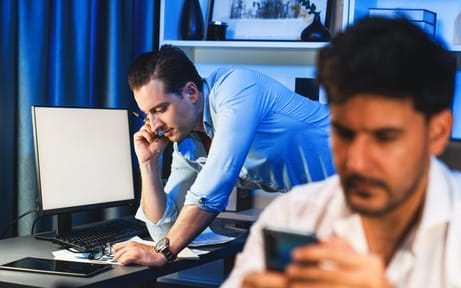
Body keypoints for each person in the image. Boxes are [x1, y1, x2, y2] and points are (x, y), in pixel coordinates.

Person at [209, 16, 461, 288]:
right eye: (344, 133)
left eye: (385, 138)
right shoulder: (295, 213)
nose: (356, 162)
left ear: (437, 133)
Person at [112, 44, 335, 267]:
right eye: (147, 114)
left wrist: (163, 253)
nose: (155, 125)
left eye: (160, 109)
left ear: (190, 92)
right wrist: (148, 163)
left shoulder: (236, 88)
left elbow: (216, 182)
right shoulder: (188, 144)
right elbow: (165, 231)